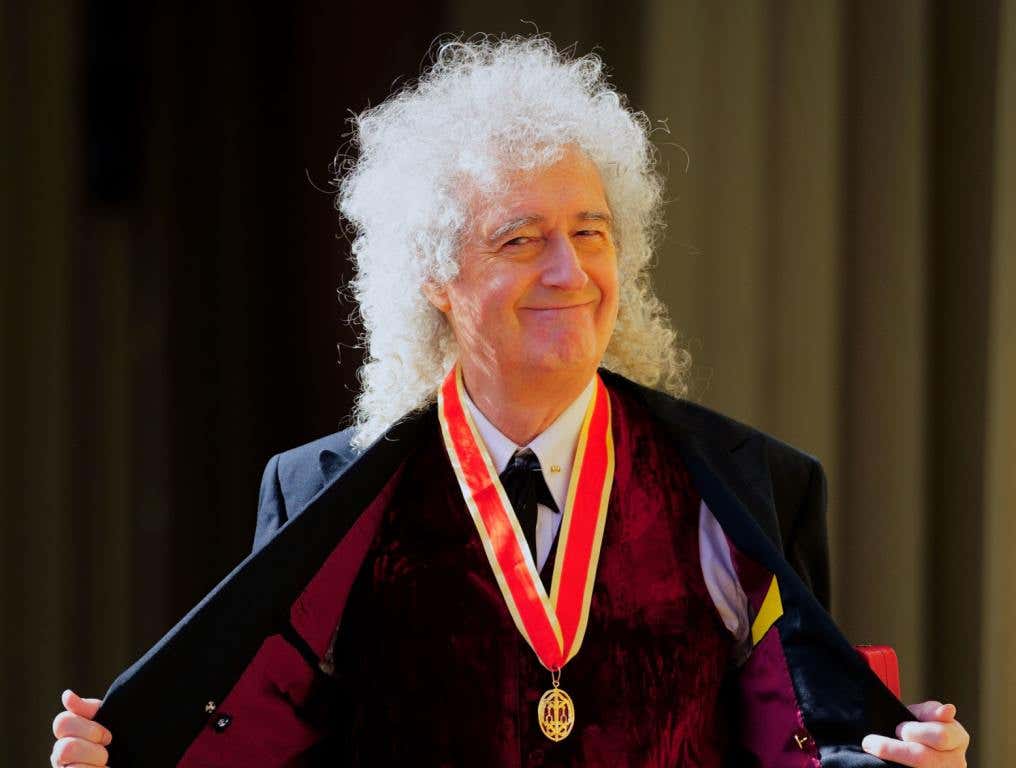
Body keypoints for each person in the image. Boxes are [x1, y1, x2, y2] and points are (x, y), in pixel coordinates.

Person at [51, 35, 969, 767]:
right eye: (521, 239)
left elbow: (803, 744)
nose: (570, 271)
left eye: (591, 233)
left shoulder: (751, 484)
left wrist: (908, 762)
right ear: (438, 277)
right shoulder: (322, 492)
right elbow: (254, 746)